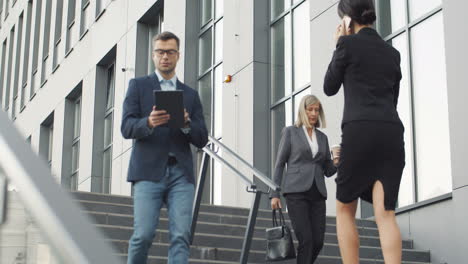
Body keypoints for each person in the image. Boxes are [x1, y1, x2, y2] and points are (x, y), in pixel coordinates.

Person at [323, 0, 405, 263]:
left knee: (345, 209)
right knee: (386, 213)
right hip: (391, 132)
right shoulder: (392, 53)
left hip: (360, 131)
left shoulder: (346, 45)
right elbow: (393, 99)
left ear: (347, 19)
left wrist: (339, 44)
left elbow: (329, 86)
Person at [121, 31, 208, 264]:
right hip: (148, 171)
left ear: (178, 55)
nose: (165, 57)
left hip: (181, 173)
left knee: (181, 236)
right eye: (160, 52)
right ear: (153, 55)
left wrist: (188, 124)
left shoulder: (190, 95)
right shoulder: (138, 86)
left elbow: (202, 138)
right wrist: (148, 122)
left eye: (170, 52)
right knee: (143, 234)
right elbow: (126, 127)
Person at [271, 95, 337, 264]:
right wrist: (275, 194)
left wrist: (337, 161)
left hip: (318, 193)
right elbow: (279, 164)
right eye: (310, 110)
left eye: (317, 110)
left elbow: (328, 170)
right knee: (306, 240)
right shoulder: (290, 132)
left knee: (318, 242)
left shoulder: (322, 137)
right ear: (303, 110)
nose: (314, 113)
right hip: (296, 193)